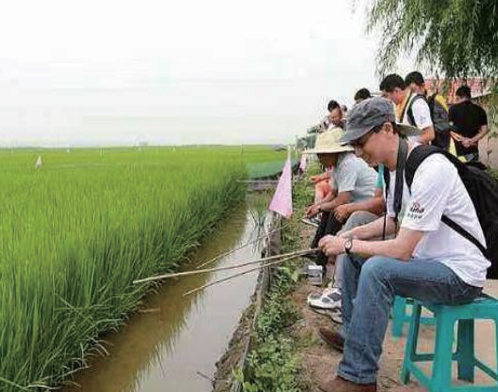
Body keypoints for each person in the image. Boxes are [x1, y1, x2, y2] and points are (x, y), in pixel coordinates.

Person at [317, 97, 490, 392]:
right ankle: (353, 337)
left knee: (377, 269)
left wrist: (347, 245)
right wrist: (347, 238)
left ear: (387, 129)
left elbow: (401, 249)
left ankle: (358, 378)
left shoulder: (431, 168)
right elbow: (393, 222)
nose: (358, 153)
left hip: (459, 274)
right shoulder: (397, 169)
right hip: (431, 263)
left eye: (360, 143)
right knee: (356, 258)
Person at [305, 128, 377, 265]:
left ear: (333, 153)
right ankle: (315, 249)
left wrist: (320, 208)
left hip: (369, 206)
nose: (320, 159)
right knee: (328, 210)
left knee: (335, 213)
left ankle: (321, 261)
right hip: (354, 204)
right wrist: (317, 206)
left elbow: (341, 200)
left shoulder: (348, 164)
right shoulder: (338, 166)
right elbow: (333, 193)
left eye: (322, 155)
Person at [380, 73, 435, 144]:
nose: (388, 100)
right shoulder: (399, 106)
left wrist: (409, 146)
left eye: (386, 95)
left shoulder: (417, 104)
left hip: (417, 152)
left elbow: (429, 135)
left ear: (396, 91)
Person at [405, 71, 452, 151]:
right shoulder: (413, 103)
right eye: (409, 92)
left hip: (440, 147)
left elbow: (444, 126)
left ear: (422, 86)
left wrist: (426, 134)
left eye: (413, 90)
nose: (412, 94)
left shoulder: (436, 99)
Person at [449, 85, 489, 162]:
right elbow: (485, 129)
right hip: (473, 151)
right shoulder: (480, 110)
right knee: (472, 172)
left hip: (457, 152)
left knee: (459, 173)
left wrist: (463, 139)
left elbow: (450, 130)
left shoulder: (453, 109)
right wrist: (471, 140)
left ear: (458, 96)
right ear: (469, 96)